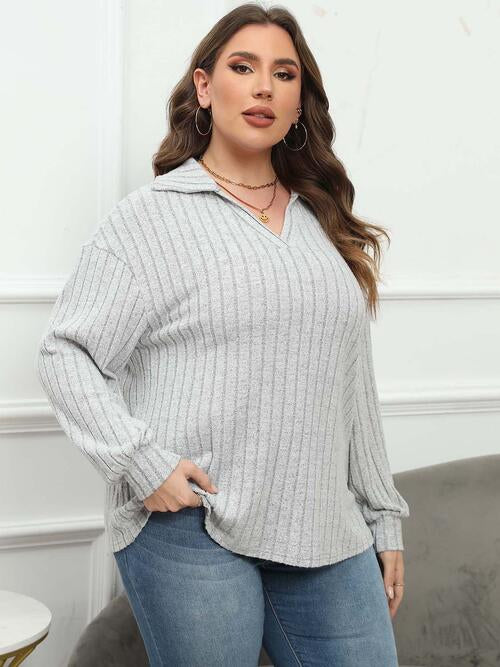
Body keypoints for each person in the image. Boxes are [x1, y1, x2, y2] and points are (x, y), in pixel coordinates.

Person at [36, 4, 410, 665]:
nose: (264, 87)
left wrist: (381, 515)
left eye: (284, 74)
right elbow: (67, 352)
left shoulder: (323, 221)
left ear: (298, 103)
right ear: (205, 88)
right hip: (192, 526)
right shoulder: (150, 220)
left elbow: (352, 382)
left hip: (326, 527)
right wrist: (142, 463)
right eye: (243, 67)